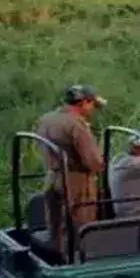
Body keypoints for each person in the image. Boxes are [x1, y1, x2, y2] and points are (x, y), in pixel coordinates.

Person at [36, 85, 107, 260]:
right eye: (92, 105)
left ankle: (56, 258)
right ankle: (76, 262)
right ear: (84, 103)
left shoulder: (47, 119)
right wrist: (101, 165)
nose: (92, 110)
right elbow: (93, 161)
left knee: (55, 223)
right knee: (79, 225)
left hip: (52, 176)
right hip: (76, 180)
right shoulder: (76, 124)